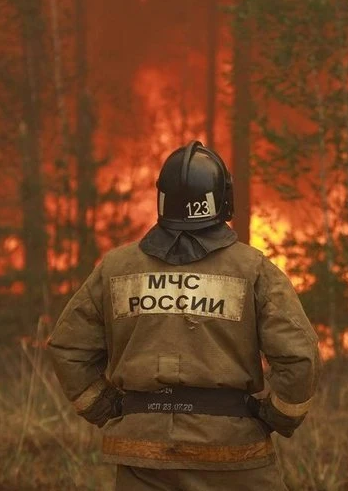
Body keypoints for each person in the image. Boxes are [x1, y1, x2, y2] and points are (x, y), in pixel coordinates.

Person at [48, 141, 321, 490]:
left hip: (142, 455)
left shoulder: (116, 268)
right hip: (232, 452)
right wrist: (275, 416)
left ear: (163, 199)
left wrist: (108, 408)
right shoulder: (253, 269)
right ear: (222, 199)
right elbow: (299, 356)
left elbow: (67, 347)